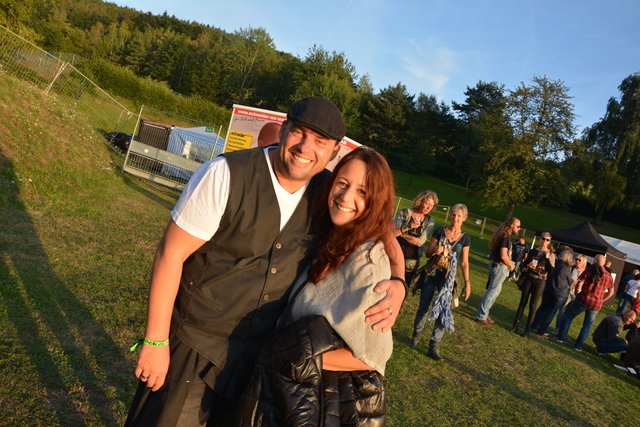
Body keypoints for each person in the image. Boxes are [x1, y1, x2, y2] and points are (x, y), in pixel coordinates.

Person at [125, 97, 406, 426]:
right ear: (283, 129)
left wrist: (399, 281)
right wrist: (155, 341)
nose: (305, 148)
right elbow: (170, 253)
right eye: (299, 132)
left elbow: (380, 230)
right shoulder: (225, 174)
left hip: (256, 365)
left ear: (334, 150)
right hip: (196, 346)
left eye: (320, 141)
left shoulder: (325, 190)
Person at [238, 147, 397, 425]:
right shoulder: (332, 235)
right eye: (343, 184)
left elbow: (372, 358)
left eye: (362, 191)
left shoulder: (369, 263)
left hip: (314, 402)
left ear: (377, 201)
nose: (345, 197)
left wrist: (293, 358)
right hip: (284, 389)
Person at [409, 204, 472, 361]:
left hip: (449, 279)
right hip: (432, 272)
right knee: (424, 306)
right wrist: (435, 249)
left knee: (444, 310)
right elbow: (427, 253)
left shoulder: (465, 238)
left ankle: (434, 346)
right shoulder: (440, 230)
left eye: (459, 216)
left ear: (464, 218)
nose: (455, 218)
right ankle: (416, 336)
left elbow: (464, 262)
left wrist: (467, 282)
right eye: (453, 214)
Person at [555, 254, 614, 352]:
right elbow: (611, 292)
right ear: (604, 263)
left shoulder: (589, 270)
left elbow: (580, 282)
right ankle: (578, 346)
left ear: (595, 260)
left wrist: (577, 291)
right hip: (596, 304)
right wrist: (602, 300)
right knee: (587, 325)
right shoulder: (608, 276)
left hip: (583, 300)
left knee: (568, 316)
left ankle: (561, 337)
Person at [475, 217, 521, 325]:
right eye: (518, 226)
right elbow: (503, 256)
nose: (519, 228)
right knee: (492, 292)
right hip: (500, 267)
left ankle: (484, 314)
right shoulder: (505, 237)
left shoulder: (503, 235)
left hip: (497, 266)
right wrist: (512, 266)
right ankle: (481, 316)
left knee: (494, 292)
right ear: (511, 225)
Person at [511, 232, 554, 336]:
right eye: (543, 238)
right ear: (540, 239)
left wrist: (547, 258)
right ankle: (515, 325)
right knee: (523, 302)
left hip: (540, 281)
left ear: (549, 242)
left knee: (533, 305)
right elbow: (524, 263)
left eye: (547, 240)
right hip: (529, 278)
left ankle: (527, 329)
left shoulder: (551, 254)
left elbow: (551, 270)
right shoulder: (533, 251)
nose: (544, 241)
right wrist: (528, 265)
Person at [393, 190, 437, 285]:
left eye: (431, 205)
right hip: (394, 257)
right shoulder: (405, 213)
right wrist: (408, 227)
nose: (428, 207)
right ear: (420, 201)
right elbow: (391, 234)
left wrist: (401, 233)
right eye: (426, 203)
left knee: (403, 288)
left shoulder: (429, 221)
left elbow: (419, 242)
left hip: (411, 263)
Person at [531, 249, 574, 337]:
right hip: (559, 293)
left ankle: (534, 325)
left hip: (548, 289)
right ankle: (541, 331)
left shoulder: (554, 263)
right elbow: (571, 281)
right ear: (568, 258)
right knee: (551, 312)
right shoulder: (566, 269)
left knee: (542, 308)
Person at [554, 253, 588, 332]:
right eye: (576, 259)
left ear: (584, 262)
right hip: (567, 293)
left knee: (569, 315)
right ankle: (557, 329)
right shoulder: (571, 269)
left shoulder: (587, 272)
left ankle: (563, 331)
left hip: (577, 296)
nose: (577, 261)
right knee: (562, 311)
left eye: (579, 260)